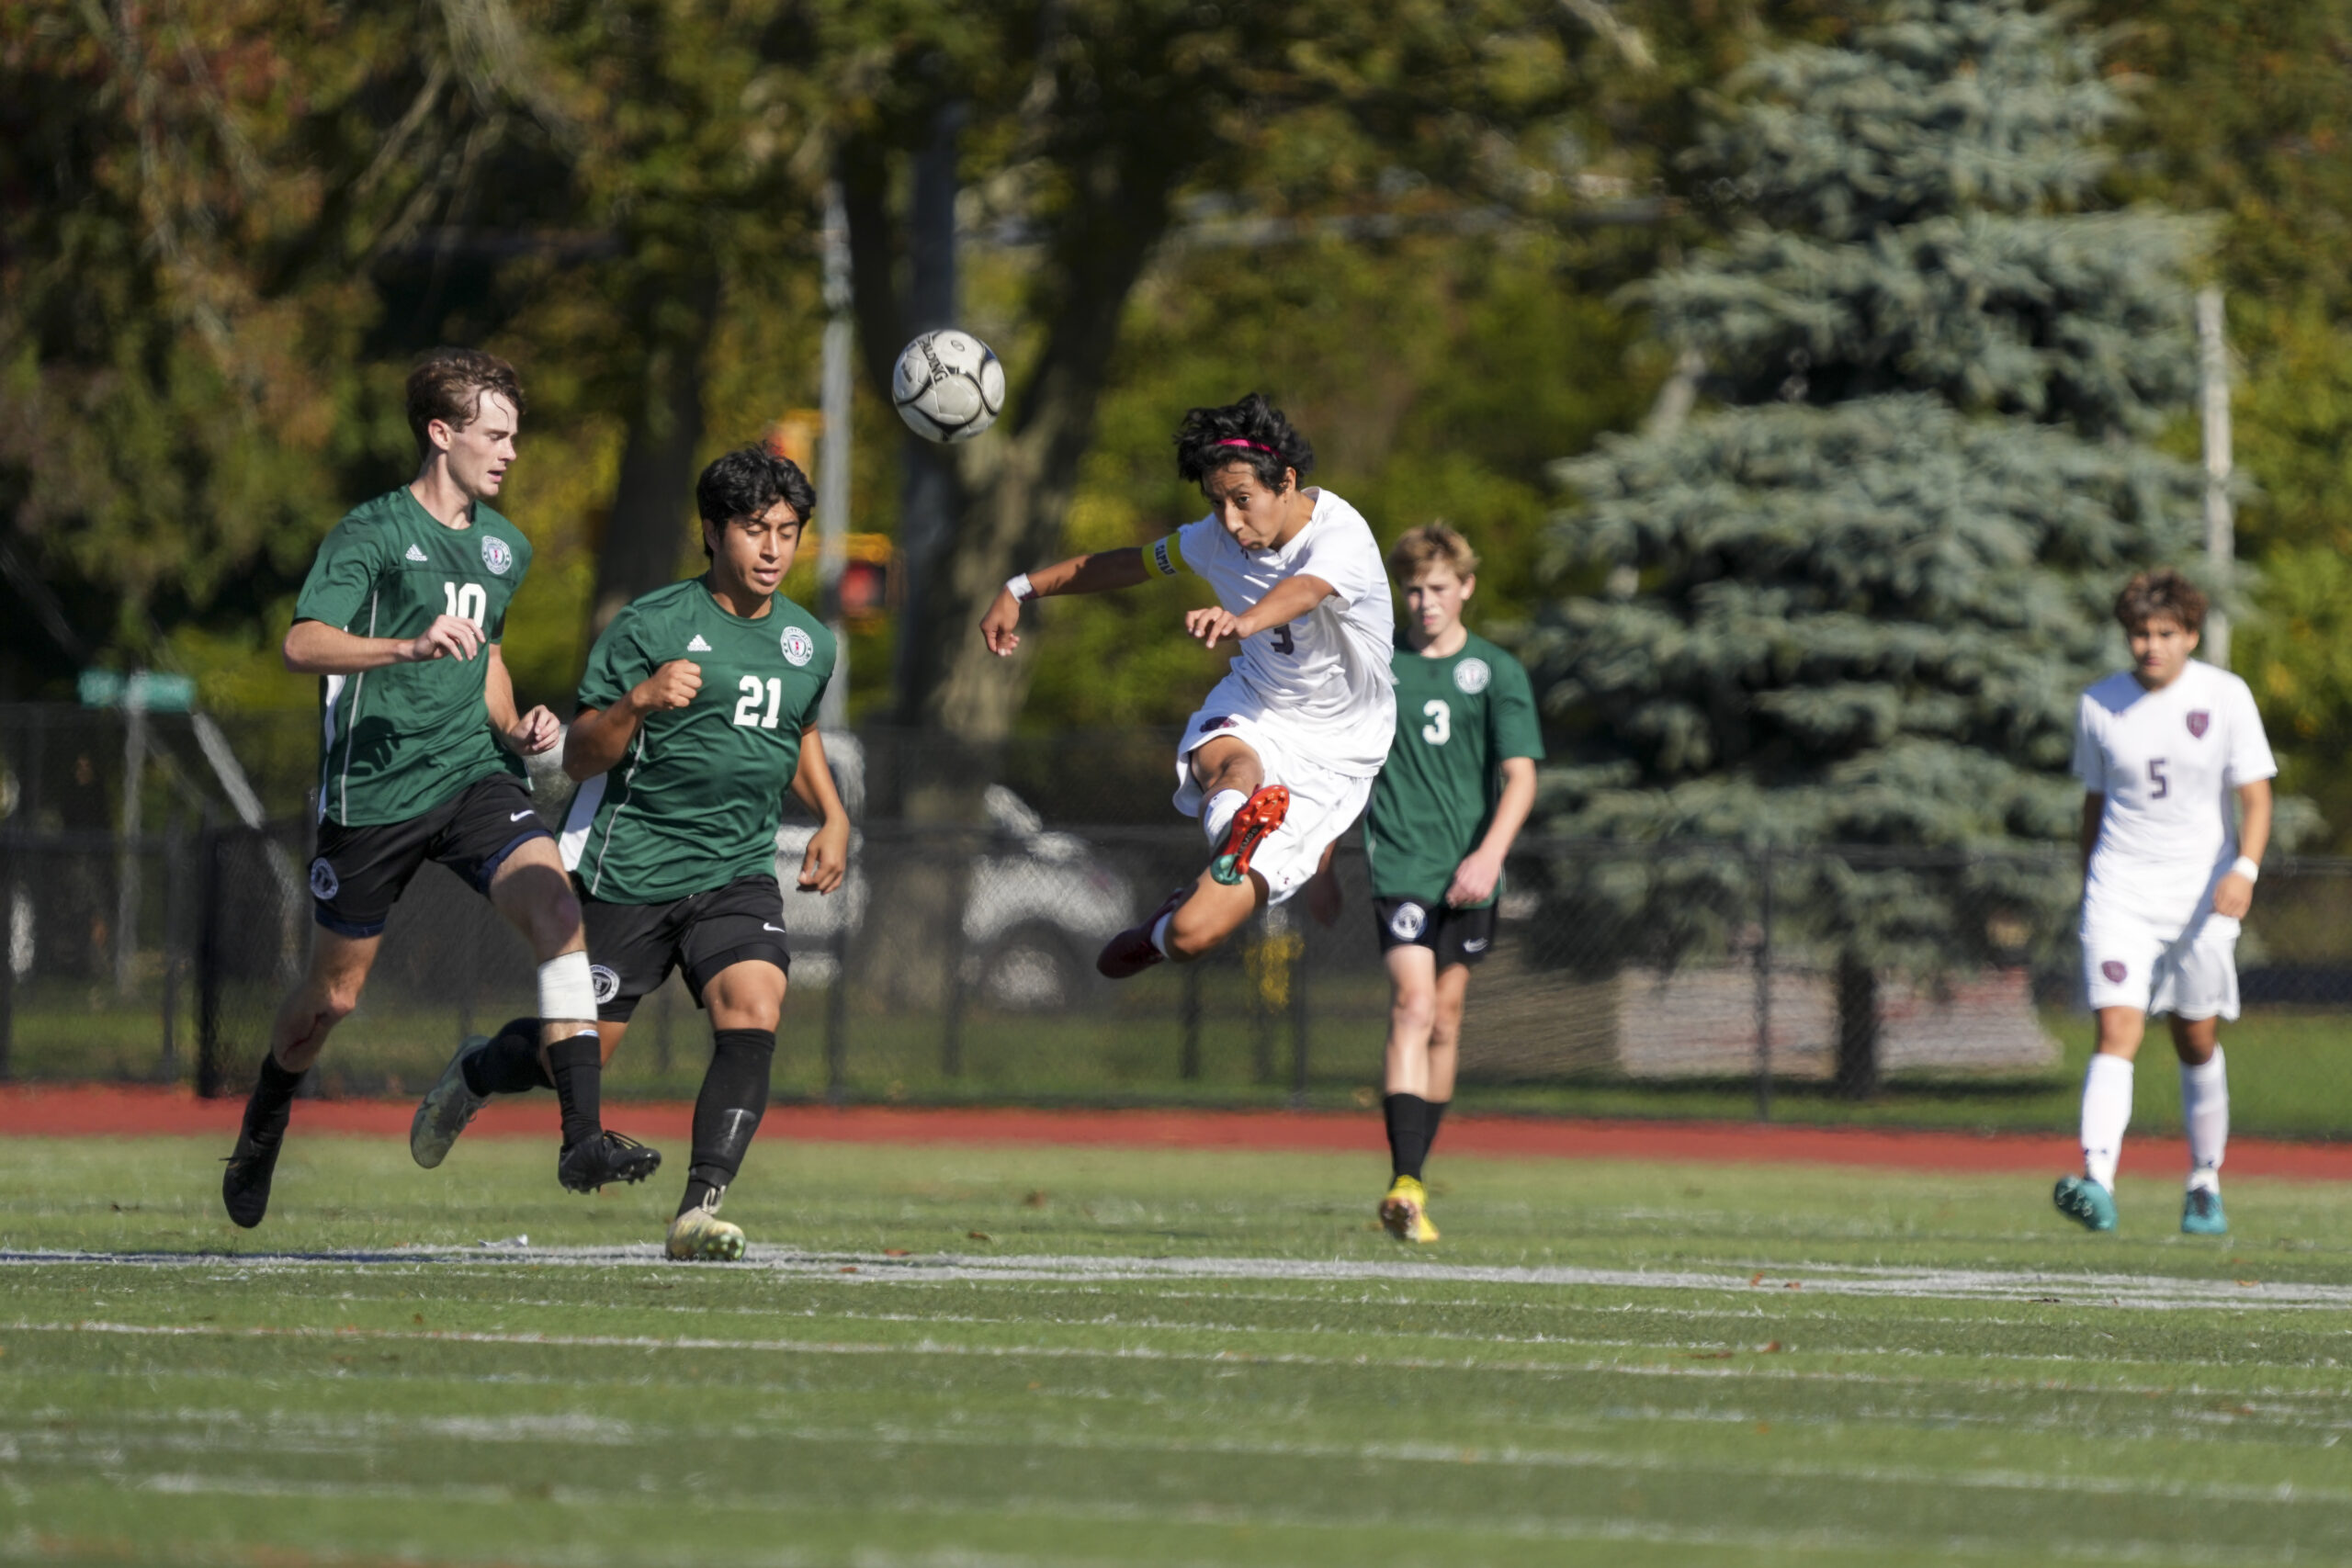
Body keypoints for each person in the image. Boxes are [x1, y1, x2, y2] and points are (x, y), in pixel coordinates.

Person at [224, 348, 657, 1230]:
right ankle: (268, 1110)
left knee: (558, 912)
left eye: (514, 436)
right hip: (374, 795)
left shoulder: (507, 545)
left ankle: (582, 1137)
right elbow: (303, 642)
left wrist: (515, 724)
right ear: (440, 433)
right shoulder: (372, 533)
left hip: (473, 779)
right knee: (332, 999)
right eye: (493, 435)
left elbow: (489, 658)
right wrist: (406, 646)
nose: (509, 452)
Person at [410, 445, 848, 1261]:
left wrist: (833, 814)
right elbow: (578, 757)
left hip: (736, 870)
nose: (774, 549)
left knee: (754, 1007)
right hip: (629, 868)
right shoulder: (649, 625)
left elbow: (799, 730)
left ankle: (696, 1212)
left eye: (788, 532)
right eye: (756, 530)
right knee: (567, 1052)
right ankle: (476, 1071)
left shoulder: (808, 643)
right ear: (713, 532)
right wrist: (640, 701)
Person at [979, 393, 1395, 972]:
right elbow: (1126, 563)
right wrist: (1020, 588)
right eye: (1218, 502)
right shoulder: (1216, 539)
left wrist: (1241, 620)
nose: (1229, 520)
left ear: (1287, 481)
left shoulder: (1341, 534)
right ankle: (1239, 833)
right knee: (1233, 768)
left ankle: (1163, 927)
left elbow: (1304, 591)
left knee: (1194, 936)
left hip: (1338, 749)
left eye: (1243, 500)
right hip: (1257, 705)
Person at [1306, 525, 1541, 1244]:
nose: (1425, 600)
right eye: (1413, 588)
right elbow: (1341, 765)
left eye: (1439, 587)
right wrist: (1322, 861)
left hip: (1469, 872)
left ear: (1465, 587)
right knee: (1411, 1003)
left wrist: (1489, 856)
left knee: (1446, 1015)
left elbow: (1521, 776)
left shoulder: (1496, 671)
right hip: (1401, 863)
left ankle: (1415, 1182)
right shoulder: (1377, 665)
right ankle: (1404, 1178)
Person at [2055, 569, 2274, 1235]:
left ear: (2191, 635)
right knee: (2117, 1029)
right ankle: (2098, 1180)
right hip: (2121, 891)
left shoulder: (2226, 696)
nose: (2151, 646)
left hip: (2203, 898)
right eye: (2140, 634)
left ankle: (2204, 1180)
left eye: (2165, 633)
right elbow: (2093, 807)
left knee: (2196, 1035)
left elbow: (2257, 797)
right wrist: (2090, 882)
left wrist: (2244, 869)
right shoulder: (2100, 704)